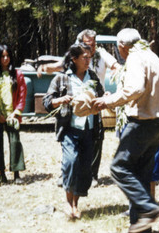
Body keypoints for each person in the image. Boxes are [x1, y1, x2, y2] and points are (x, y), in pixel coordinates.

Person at [93, 28, 159, 233]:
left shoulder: (135, 58)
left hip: (141, 124)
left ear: (121, 47)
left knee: (119, 168)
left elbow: (135, 89)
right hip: (157, 124)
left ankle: (149, 210)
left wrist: (108, 100)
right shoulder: (151, 56)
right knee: (142, 175)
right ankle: (141, 227)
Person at [38, 29, 119, 186]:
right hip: (73, 111)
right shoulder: (72, 60)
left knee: (96, 140)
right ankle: (68, 174)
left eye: (94, 44)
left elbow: (115, 65)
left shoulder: (101, 55)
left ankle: (92, 175)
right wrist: (45, 68)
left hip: (95, 102)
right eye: (88, 44)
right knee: (71, 148)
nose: (92, 47)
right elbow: (59, 67)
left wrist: (110, 91)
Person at [42, 43, 104, 219]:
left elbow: (100, 95)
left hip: (89, 129)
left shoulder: (92, 77)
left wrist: (103, 99)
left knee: (84, 167)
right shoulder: (62, 79)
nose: (88, 61)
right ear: (74, 59)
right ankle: (68, 203)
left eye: (89, 57)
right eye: (84, 57)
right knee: (71, 162)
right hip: (70, 128)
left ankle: (76, 204)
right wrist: (60, 100)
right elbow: (47, 102)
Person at [0, 44, 27, 185]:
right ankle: (1, 174)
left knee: (15, 142)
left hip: (13, 115)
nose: (5, 59)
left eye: (8, 56)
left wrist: (16, 113)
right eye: (2, 56)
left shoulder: (18, 74)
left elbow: (22, 95)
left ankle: (16, 174)